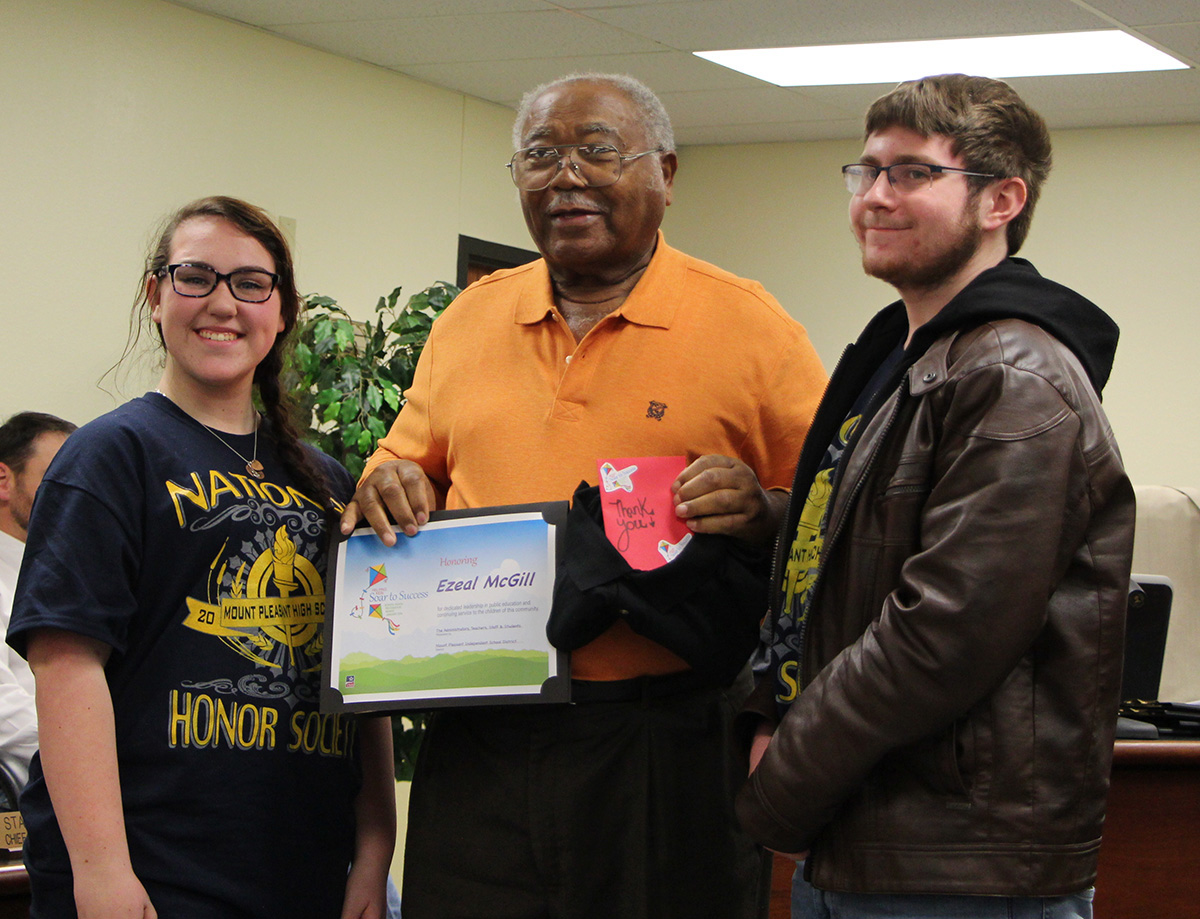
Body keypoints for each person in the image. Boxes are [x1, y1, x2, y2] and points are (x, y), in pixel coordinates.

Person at [342, 73, 827, 918]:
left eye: (598, 151)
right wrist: (387, 479)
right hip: (482, 734)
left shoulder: (753, 327)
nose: (566, 177)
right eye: (540, 156)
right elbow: (401, 464)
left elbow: (836, 512)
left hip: (663, 738)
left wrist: (766, 511)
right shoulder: (468, 320)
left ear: (665, 173)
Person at [737, 74, 1136, 919]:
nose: (875, 197)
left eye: (913, 172)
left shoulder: (1013, 373)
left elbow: (945, 631)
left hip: (957, 864)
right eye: (867, 171)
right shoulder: (902, 357)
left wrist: (787, 774)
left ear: (1002, 200)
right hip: (861, 835)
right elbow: (845, 559)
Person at [7, 197, 395, 918]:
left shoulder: (327, 481)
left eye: (251, 283)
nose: (223, 302)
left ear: (282, 310)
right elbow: (65, 666)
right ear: (155, 296)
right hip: (152, 874)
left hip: (301, 870)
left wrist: (374, 853)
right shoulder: (107, 456)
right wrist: (102, 873)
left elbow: (362, 676)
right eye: (195, 277)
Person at [0, 411, 75, 791]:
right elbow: (5, 713)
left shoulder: (84, 575)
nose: (74, 494)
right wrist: (93, 753)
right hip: (32, 792)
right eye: (57, 476)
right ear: (3, 481)